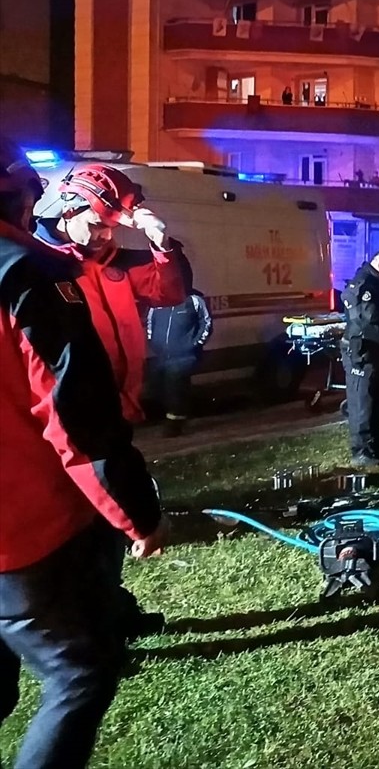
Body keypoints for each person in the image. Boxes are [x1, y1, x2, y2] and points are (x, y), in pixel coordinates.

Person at [0, 137, 167, 769]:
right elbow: (74, 418)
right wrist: (138, 513)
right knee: (80, 671)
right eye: (96, 220)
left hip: (43, 502)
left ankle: (114, 603)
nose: (103, 232)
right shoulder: (31, 273)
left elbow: (170, 286)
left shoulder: (104, 267)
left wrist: (156, 236)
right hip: (23, 525)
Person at [34, 163, 186, 423]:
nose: (105, 236)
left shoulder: (114, 261)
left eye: (111, 227)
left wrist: (161, 244)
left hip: (118, 408)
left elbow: (169, 295)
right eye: (96, 225)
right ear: (69, 211)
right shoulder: (36, 263)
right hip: (67, 416)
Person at [340, 249, 379, 468]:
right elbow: (370, 318)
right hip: (361, 352)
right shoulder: (363, 285)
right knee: (362, 403)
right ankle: (362, 451)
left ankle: (377, 447)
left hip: (376, 352)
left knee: (376, 402)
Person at [145, 257, 212, 437]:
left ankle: (175, 424)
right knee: (158, 386)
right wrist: (153, 342)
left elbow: (206, 323)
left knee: (175, 385)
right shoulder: (158, 300)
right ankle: (178, 415)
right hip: (162, 354)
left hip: (185, 355)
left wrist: (194, 344)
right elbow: (150, 322)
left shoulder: (194, 300)